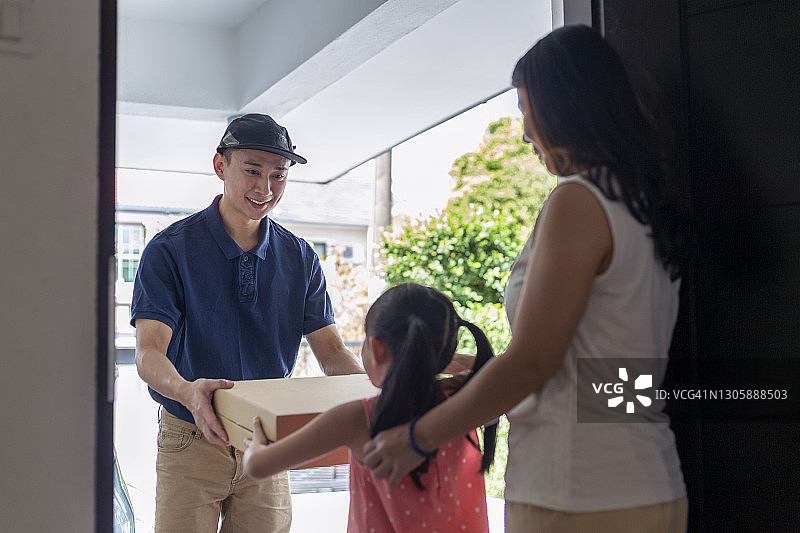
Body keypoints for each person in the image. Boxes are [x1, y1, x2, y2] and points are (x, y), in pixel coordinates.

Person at [362, 25, 693, 533]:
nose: (522, 131)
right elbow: (603, 378)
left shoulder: (578, 202)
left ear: (565, 106)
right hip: (644, 485)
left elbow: (534, 363)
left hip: (577, 496)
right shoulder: (639, 205)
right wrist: (481, 371)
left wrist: (417, 437)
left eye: (524, 108)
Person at [131, 113, 365, 533]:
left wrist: (382, 394)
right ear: (221, 166)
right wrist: (187, 392)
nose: (265, 188)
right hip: (191, 436)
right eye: (252, 171)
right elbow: (149, 353)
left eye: (279, 175)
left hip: (269, 440)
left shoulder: (300, 258)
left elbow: (331, 351)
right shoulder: (169, 250)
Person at [242, 283, 498, 533]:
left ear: (376, 348)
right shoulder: (465, 400)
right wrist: (426, 361)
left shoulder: (357, 418)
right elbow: (495, 368)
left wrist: (255, 443)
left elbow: (259, 466)